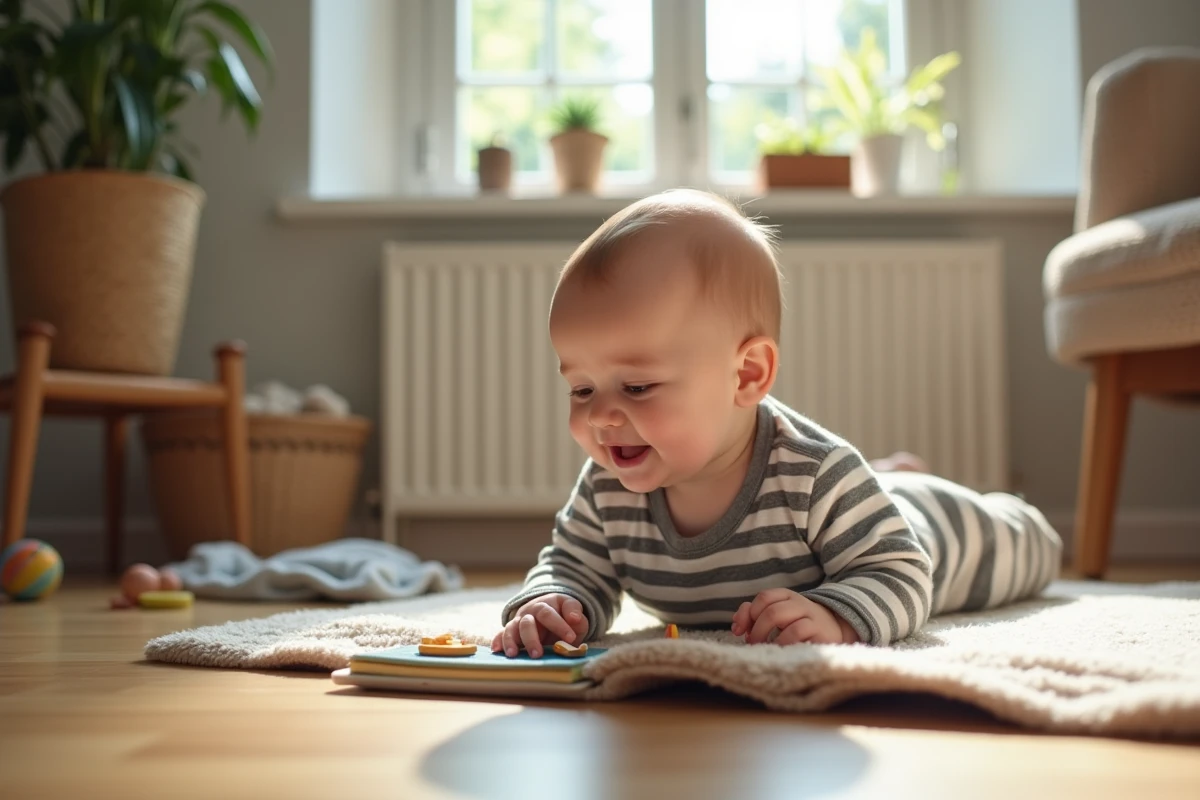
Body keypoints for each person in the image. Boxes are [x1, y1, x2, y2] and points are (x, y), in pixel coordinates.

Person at [492, 189, 1061, 658]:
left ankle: (930, 491)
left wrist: (837, 616)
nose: (601, 416)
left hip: (932, 532)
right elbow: (572, 567)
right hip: (854, 505)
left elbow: (903, 574)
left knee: (1026, 542)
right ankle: (888, 476)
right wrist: (553, 604)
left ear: (746, 375)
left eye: (638, 387)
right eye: (582, 389)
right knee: (868, 498)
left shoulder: (815, 474)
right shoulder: (606, 486)